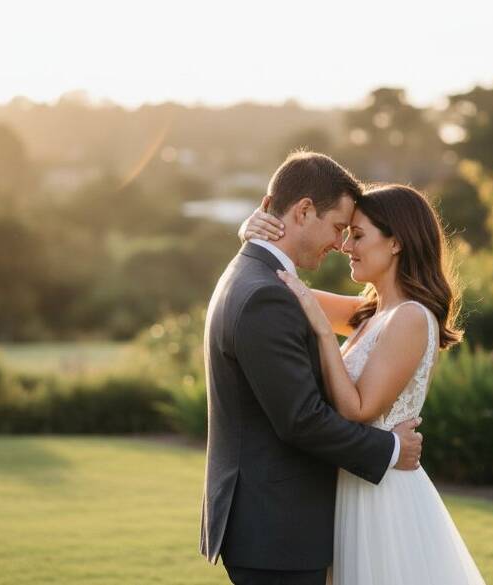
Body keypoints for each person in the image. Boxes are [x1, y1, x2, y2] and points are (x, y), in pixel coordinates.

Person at [241, 182, 487, 584]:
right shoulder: (368, 314)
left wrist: (324, 334)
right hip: (353, 484)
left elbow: (358, 409)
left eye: (357, 235)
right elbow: (277, 283)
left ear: (396, 244)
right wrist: (251, 233)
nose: (345, 246)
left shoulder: (410, 317)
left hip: (382, 495)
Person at [200, 151, 424, 585]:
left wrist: (252, 233)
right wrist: (391, 449)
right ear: (304, 210)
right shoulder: (267, 293)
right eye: (341, 228)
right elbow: (301, 420)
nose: (342, 245)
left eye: (355, 234)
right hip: (277, 527)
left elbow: (381, 316)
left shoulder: (258, 279)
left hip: (278, 523)